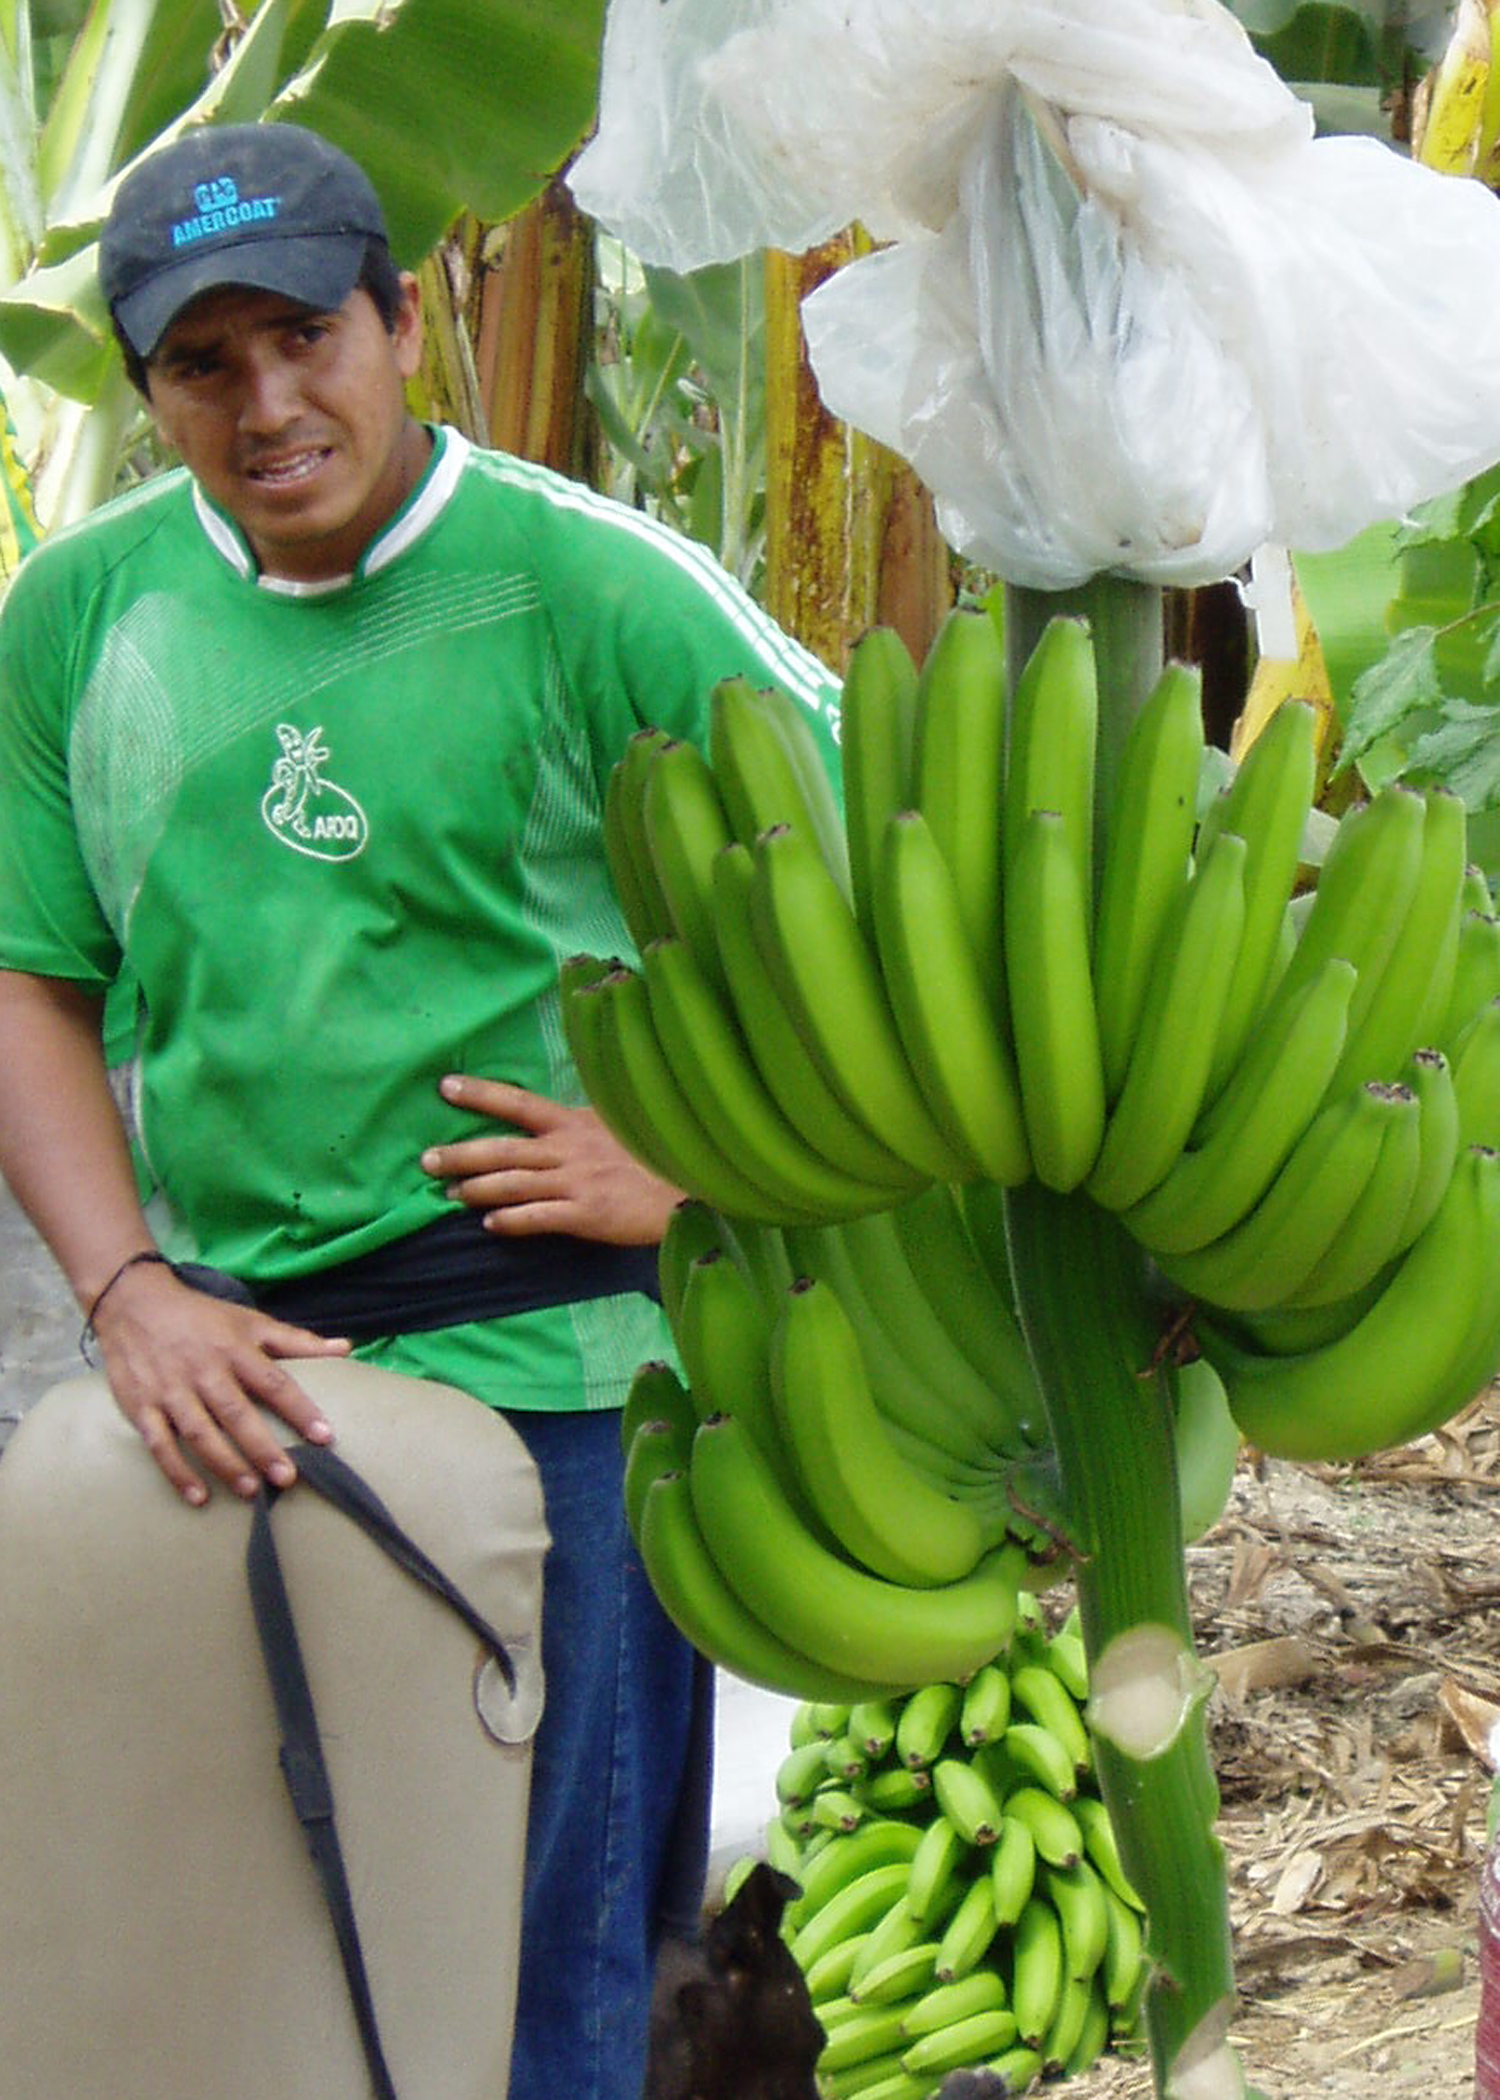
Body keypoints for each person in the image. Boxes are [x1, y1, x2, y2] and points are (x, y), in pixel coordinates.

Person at [0, 121, 841, 2100]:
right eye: (204, 364)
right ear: (150, 393)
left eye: (304, 335)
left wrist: (698, 1166)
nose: (268, 402)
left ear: (397, 322)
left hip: (552, 1352)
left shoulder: (590, 587)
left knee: (553, 1976)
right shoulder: (77, 618)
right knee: (263, 1945)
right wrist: (125, 1292)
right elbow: (29, 975)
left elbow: (881, 883)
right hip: (228, 1370)